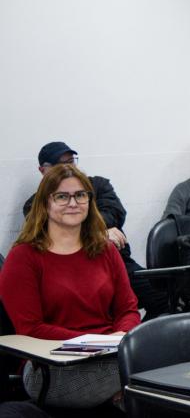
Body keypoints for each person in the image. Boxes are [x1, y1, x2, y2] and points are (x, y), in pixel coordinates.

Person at [0, 164, 140, 408]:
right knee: (147, 376)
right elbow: (30, 328)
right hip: (52, 367)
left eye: (80, 195)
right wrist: (98, 342)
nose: (73, 203)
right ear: (45, 203)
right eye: (62, 196)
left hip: (111, 354)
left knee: (166, 361)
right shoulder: (23, 256)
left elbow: (128, 309)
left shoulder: (105, 250)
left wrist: (118, 338)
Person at [22, 142, 168, 320]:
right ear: (43, 170)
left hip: (117, 261)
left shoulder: (98, 185)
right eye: (60, 164)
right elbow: (50, 230)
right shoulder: (35, 203)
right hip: (70, 269)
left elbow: (115, 213)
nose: (67, 168)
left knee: (163, 297)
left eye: (71, 161)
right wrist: (98, 232)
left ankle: (136, 340)